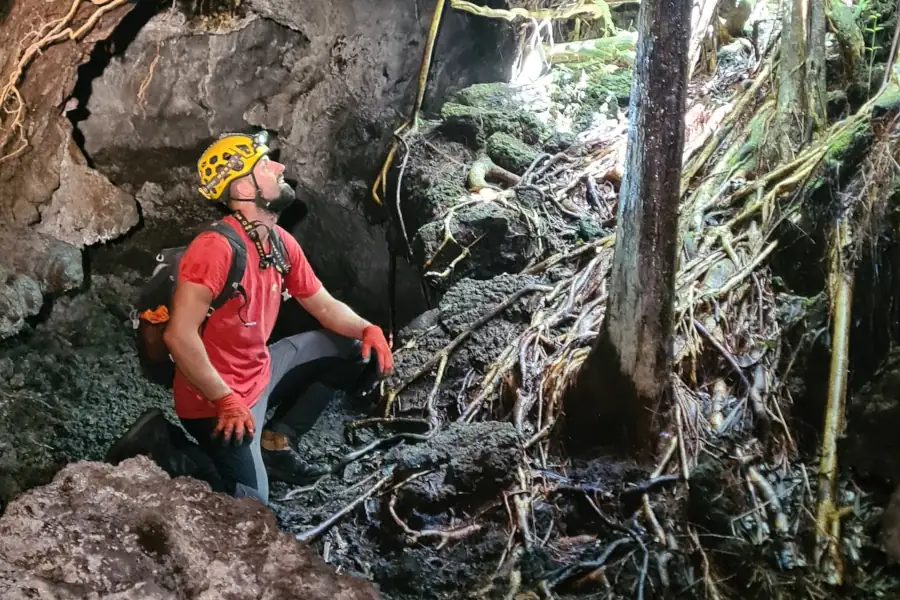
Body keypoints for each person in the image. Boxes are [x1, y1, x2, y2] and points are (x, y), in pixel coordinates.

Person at [105, 130, 393, 506]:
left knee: (354, 349)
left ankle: (276, 442)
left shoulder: (279, 242)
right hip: (214, 402)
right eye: (265, 165)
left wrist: (368, 328)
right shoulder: (214, 250)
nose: (279, 168)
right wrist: (224, 400)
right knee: (250, 506)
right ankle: (162, 446)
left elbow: (322, 305)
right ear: (243, 187)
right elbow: (179, 336)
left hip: (261, 371)